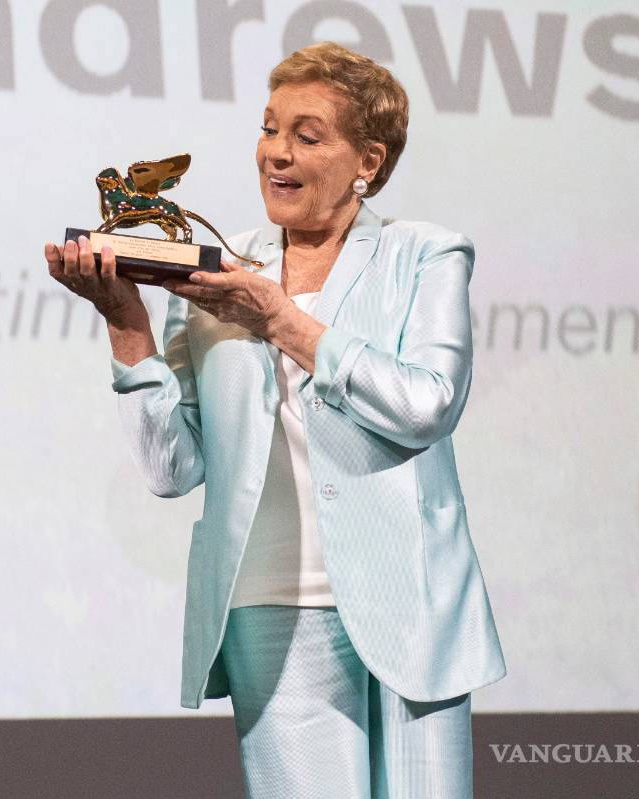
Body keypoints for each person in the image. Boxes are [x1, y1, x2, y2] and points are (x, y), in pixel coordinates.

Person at [44, 41, 505, 799]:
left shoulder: (422, 255)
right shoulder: (220, 269)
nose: (276, 154)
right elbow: (173, 469)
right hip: (271, 610)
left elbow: (428, 405)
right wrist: (127, 326)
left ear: (368, 160)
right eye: (268, 128)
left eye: (306, 135)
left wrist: (283, 321)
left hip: (412, 604)